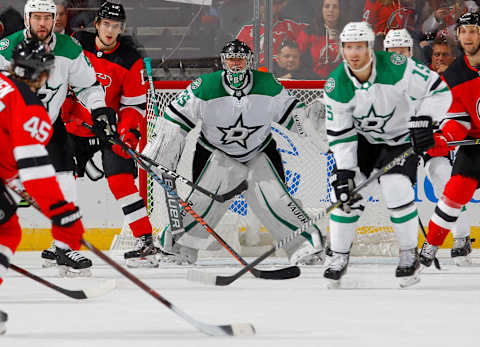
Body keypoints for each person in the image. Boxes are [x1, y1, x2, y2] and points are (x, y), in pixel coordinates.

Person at [142, 39, 324, 265]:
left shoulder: (267, 84)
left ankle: (306, 245)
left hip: (259, 152)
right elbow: (175, 117)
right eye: (231, 60)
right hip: (215, 154)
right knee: (202, 203)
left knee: (276, 200)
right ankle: (178, 247)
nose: (235, 65)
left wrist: (311, 120)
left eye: (240, 60)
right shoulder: (205, 86)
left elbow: (294, 118)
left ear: (249, 62)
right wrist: (163, 145)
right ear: (223, 62)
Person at [323, 22, 452, 288]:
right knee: (343, 193)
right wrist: (345, 169)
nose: (354, 53)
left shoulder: (396, 65)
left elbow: (438, 90)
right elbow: (340, 133)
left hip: (400, 140)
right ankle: (338, 255)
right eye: (348, 47)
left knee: (397, 187)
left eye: (359, 47)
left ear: (370, 47)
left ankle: (408, 253)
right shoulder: (336, 84)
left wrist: (424, 120)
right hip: (363, 143)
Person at [0, 0, 112, 275]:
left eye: (47, 17)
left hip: (48, 126)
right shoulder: (6, 47)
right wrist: (61, 211)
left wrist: (98, 110)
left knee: (65, 180)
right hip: (14, 128)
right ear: (27, 18)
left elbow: (88, 84)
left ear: (55, 19)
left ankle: (63, 246)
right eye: (36, 17)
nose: (42, 23)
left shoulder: (69, 49)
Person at [0, 38, 91, 333]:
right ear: (43, 75)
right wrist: (62, 212)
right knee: (8, 231)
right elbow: (35, 168)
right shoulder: (29, 105)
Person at [61, 1, 158, 268]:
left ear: (121, 28)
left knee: (122, 182)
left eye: (115, 26)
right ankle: (61, 245)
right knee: (62, 182)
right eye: (106, 24)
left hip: (108, 129)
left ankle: (145, 240)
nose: (110, 30)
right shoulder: (77, 43)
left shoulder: (130, 57)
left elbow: (133, 105)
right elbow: (63, 77)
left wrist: (128, 132)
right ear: (97, 25)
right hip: (73, 127)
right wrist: (64, 108)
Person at [383, 28, 471, 265]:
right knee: (398, 190)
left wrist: (435, 136)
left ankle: (461, 238)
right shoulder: (378, 82)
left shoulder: (425, 78)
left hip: (430, 141)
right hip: (401, 144)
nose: (398, 55)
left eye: (403, 50)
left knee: (443, 179)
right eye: (393, 51)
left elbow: (446, 112)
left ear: (410, 52)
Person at [420, 12, 480, 267]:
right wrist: (445, 138)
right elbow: (458, 120)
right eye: (464, 31)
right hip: (475, 146)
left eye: (474, 31)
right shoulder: (454, 75)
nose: (468, 36)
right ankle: (432, 244)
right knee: (453, 192)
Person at [236, 0, 308, 64]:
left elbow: (314, 29)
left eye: (271, 5)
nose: (265, 8)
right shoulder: (247, 30)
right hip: (259, 71)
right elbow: (236, 56)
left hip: (285, 70)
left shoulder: (289, 26)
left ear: (279, 7)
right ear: (257, 7)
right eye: (262, 5)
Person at [297, 0, 343, 79]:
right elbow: (296, 57)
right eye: (327, 6)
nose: (331, 10)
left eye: (335, 7)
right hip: (314, 82)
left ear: (340, 11)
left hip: (340, 81)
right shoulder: (309, 32)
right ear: (321, 10)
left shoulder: (347, 32)